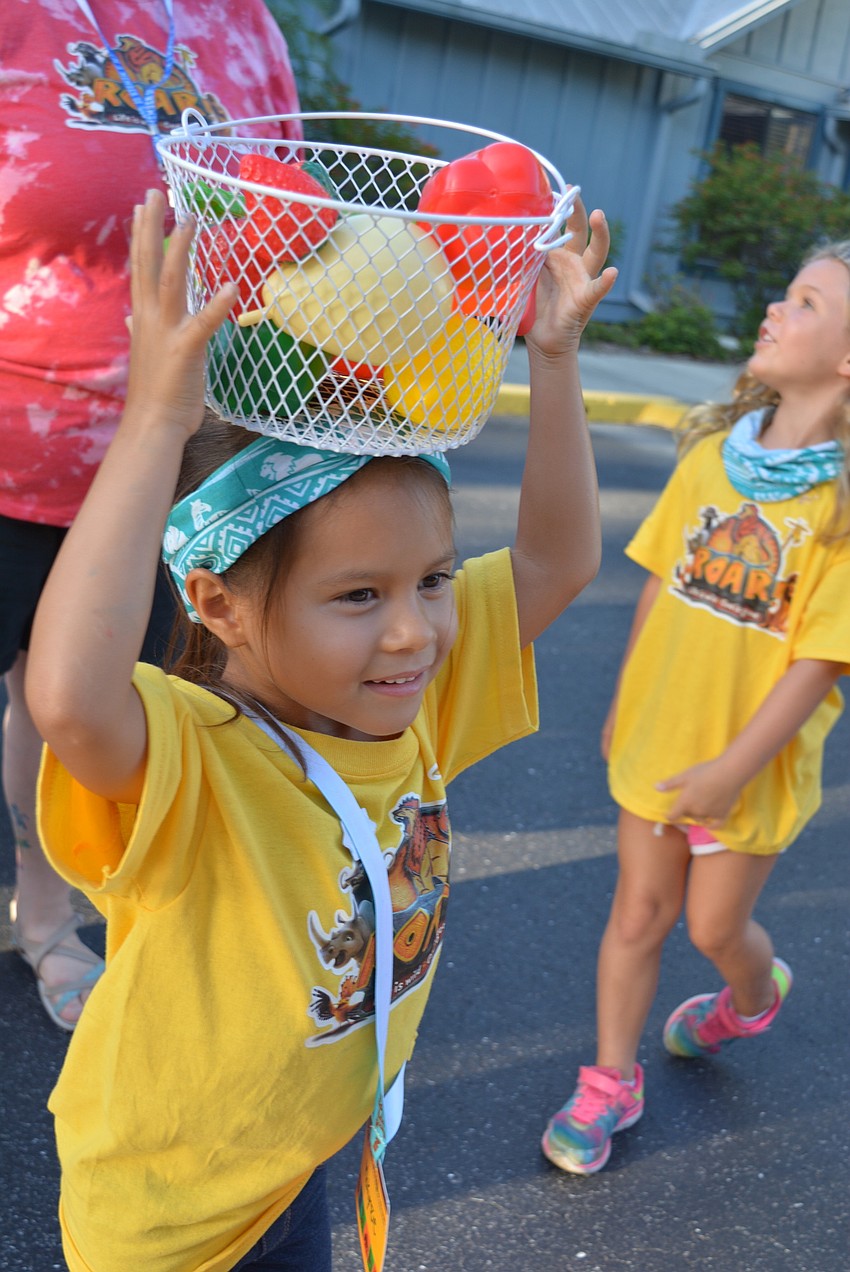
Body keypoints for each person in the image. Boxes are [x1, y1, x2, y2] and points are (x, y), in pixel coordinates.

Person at [24, 189, 615, 1268]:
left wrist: (556, 361)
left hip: (293, 1173)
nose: (413, 632)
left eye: (432, 580)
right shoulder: (192, 754)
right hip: (168, 1224)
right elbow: (65, 697)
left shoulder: (407, 695)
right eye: (357, 597)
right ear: (217, 605)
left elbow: (554, 563)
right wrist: (157, 418)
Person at [1, 0, 301, 1029]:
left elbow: (287, 233)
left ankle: (50, 915)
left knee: (85, 709)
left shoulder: (246, 26)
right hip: (8, 449)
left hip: (174, 472)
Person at [541, 240, 850, 1176]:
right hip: (659, 744)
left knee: (715, 930)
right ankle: (609, 1080)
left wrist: (730, 771)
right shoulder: (712, 455)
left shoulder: (839, 507)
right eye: (785, 294)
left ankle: (750, 996)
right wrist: (627, 699)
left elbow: (820, 661)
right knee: (637, 914)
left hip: (748, 771)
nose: (774, 311)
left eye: (804, 303)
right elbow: (656, 586)